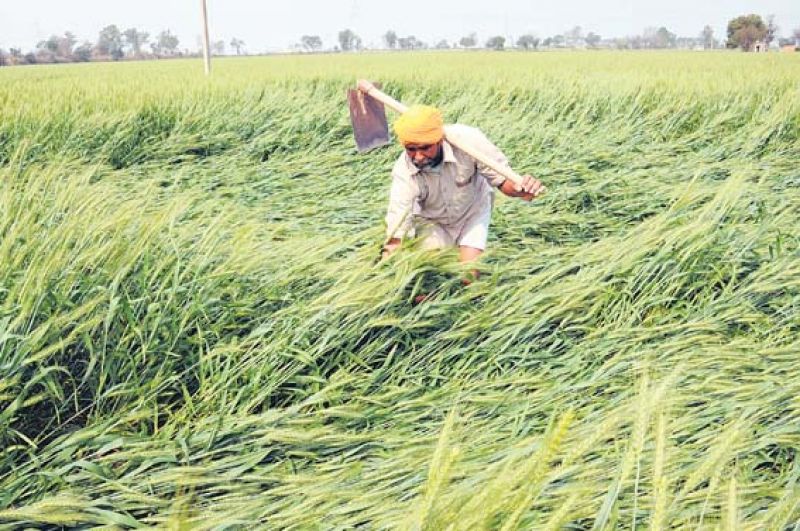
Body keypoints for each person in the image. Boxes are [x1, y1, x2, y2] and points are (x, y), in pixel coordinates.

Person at [382, 105, 544, 269]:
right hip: (432, 220)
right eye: (411, 149)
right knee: (432, 272)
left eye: (425, 148)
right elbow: (398, 225)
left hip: (472, 212)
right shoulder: (404, 172)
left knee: (469, 273)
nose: (418, 157)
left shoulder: (469, 142)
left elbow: (503, 181)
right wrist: (386, 267)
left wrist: (521, 190)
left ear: (439, 140)